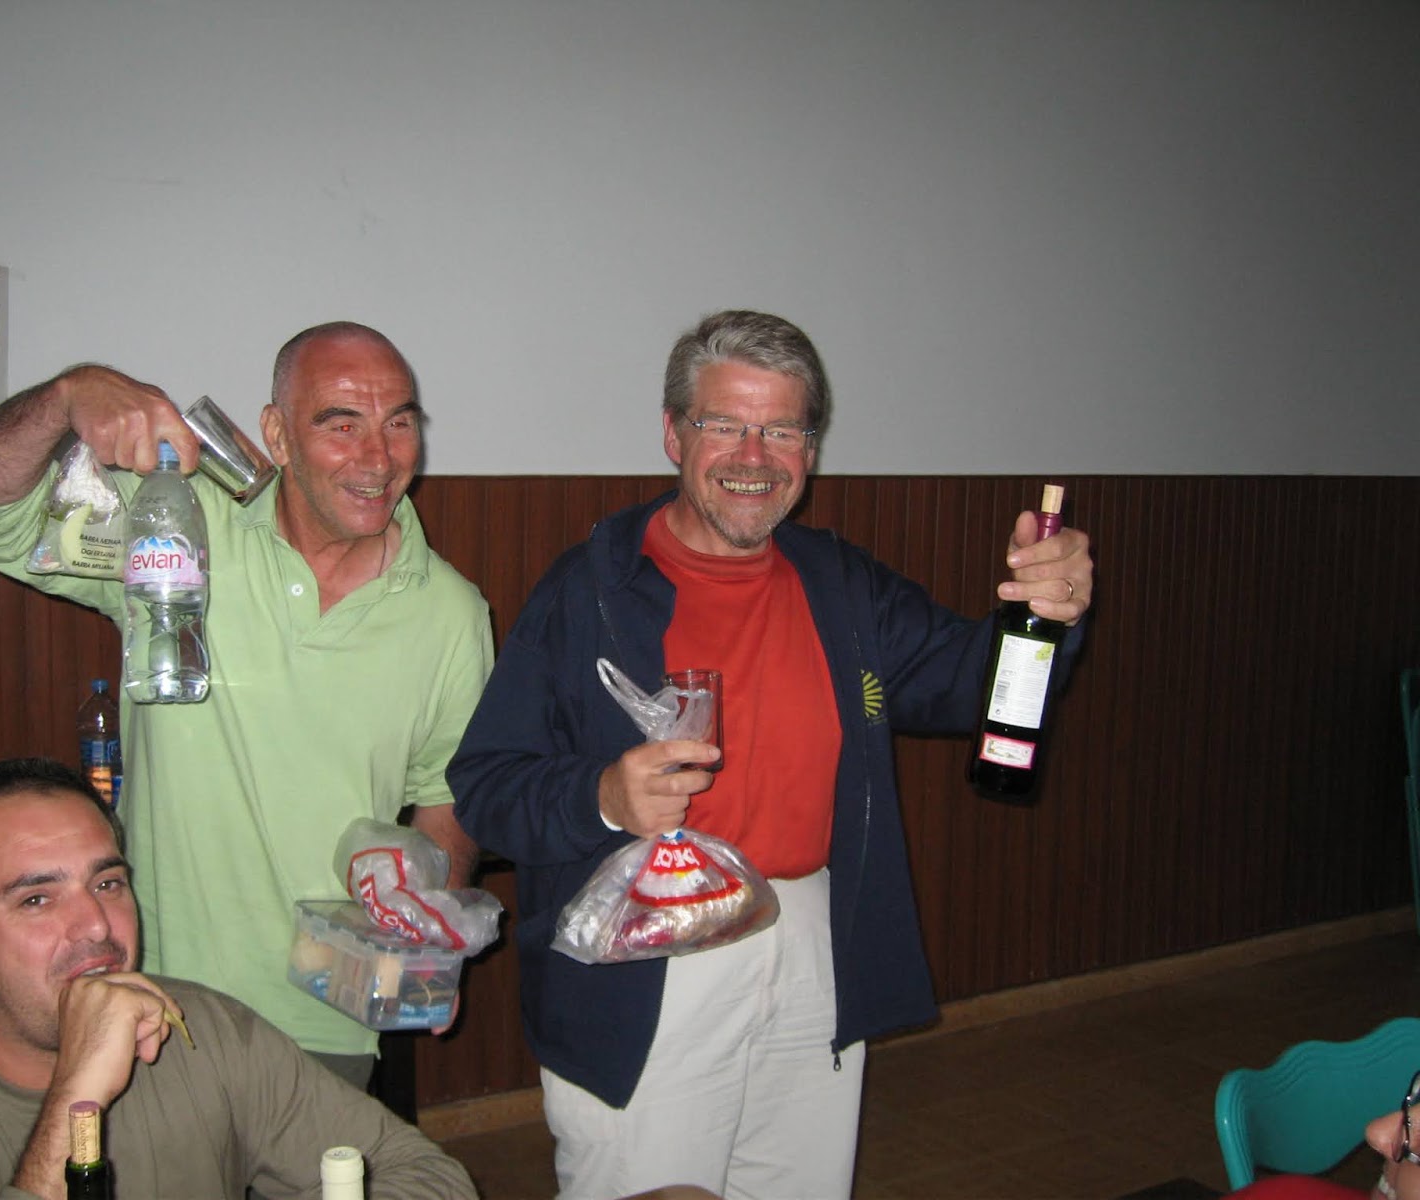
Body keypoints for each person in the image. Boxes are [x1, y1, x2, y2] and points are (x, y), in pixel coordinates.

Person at [446, 309, 1095, 1200]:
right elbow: (486, 788)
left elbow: (971, 684)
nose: (754, 456)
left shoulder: (841, 584)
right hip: (648, 964)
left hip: (809, 941)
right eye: (725, 424)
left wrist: (1047, 616)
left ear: (810, 451)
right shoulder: (589, 590)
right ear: (674, 434)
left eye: (783, 430)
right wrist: (602, 795)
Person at [0, 321, 493, 1087]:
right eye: (341, 424)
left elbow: (448, 794)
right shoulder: (175, 521)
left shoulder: (452, 614)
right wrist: (66, 397)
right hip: (154, 1000)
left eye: (399, 422)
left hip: (326, 1005)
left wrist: (430, 927)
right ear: (277, 435)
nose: (378, 457)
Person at [0, 757, 476, 1200]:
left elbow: (425, 1176)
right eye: (37, 899)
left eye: (108, 883)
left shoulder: (207, 1031)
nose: (94, 925)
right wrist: (78, 1093)